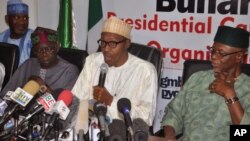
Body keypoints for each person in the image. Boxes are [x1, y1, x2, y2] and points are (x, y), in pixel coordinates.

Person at [161, 26, 250, 141]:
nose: (213, 56)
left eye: (221, 53)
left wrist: (229, 94)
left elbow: (244, 134)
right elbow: (173, 113)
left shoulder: (247, 88)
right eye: (213, 51)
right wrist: (170, 136)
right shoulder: (197, 78)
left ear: (238, 56)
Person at [72, 16, 158, 125]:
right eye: (103, 43)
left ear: (127, 44)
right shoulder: (93, 61)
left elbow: (146, 118)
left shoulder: (145, 71)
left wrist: (111, 101)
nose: (106, 49)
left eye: (112, 44)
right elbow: (76, 99)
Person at [0, 26, 79, 97]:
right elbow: (6, 95)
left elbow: (66, 106)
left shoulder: (70, 70)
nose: (44, 53)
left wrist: (42, 86)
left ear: (57, 48)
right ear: (34, 52)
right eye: (39, 50)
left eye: (48, 49)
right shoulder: (28, 64)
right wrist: (27, 87)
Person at [0, 0, 33, 66]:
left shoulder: (34, 38)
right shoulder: (1, 38)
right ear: (7, 19)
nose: (22, 22)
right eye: (16, 17)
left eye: (25, 18)